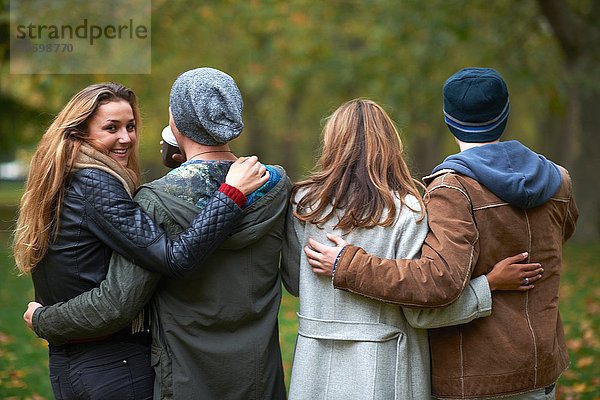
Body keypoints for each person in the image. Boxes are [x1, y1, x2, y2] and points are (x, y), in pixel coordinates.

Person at [305, 68, 578, 399]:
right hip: (541, 365)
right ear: (505, 113)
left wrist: (346, 265)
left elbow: (438, 281)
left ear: (450, 120)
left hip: (477, 374)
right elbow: (559, 234)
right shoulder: (559, 180)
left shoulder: (452, 188)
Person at [24, 68, 293, 399]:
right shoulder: (277, 185)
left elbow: (118, 302)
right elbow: (293, 279)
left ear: (174, 122)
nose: (126, 137)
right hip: (259, 376)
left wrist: (44, 320)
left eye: (130, 127)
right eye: (112, 128)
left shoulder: (154, 199)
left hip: (183, 376)